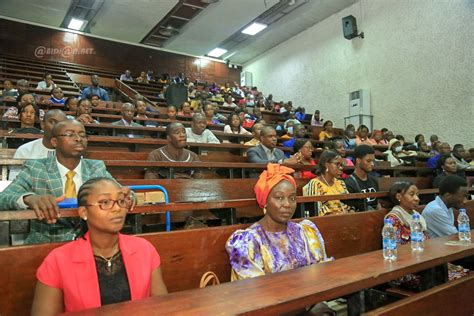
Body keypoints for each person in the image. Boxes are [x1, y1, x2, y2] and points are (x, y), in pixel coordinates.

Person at [31, 177, 167, 314]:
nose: (117, 209)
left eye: (121, 201)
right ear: (84, 212)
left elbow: (163, 308)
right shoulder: (57, 261)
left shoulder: (145, 250)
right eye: (105, 202)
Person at [0, 120, 115, 244]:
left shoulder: (96, 167)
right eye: (70, 134)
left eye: (82, 135)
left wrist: (127, 196)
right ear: (54, 141)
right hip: (46, 245)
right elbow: (4, 198)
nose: (78, 139)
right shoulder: (36, 168)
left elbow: (124, 194)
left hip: (90, 244)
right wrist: (29, 198)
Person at [225, 164, 331, 281]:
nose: (287, 204)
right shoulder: (248, 242)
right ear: (265, 202)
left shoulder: (304, 232)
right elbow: (253, 290)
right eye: (279, 197)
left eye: (292, 198)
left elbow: (321, 273)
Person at [385, 181, 429, 291]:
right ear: (399, 196)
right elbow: (397, 251)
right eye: (411, 194)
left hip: (422, 263)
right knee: (438, 278)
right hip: (403, 269)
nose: (417, 198)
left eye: (417, 194)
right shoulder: (393, 219)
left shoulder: (416, 216)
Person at [9, 109, 67, 180]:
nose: (57, 127)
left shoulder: (71, 152)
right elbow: (14, 180)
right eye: (52, 122)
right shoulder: (25, 150)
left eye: (62, 124)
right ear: (42, 125)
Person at [303, 150, 354, 216]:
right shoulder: (315, 184)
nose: (341, 168)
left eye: (341, 165)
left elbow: (350, 205)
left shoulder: (341, 183)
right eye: (337, 164)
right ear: (326, 164)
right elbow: (316, 212)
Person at [344, 145, 380, 212]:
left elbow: (377, 204)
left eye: (373, 161)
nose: (372, 164)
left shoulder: (374, 180)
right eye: (368, 161)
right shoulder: (349, 183)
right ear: (358, 160)